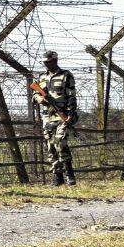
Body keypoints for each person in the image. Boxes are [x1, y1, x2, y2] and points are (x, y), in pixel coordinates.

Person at [33, 50, 77, 186]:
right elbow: (35, 94)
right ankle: (58, 177)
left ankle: (69, 174)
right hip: (47, 116)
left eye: (49, 62)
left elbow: (71, 96)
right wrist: (40, 99)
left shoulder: (66, 75)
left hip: (62, 114)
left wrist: (70, 114)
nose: (46, 64)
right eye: (45, 62)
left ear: (55, 60)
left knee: (61, 142)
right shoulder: (42, 77)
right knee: (50, 146)